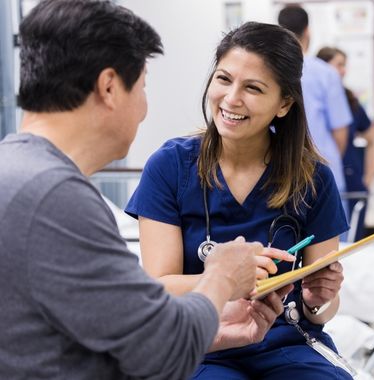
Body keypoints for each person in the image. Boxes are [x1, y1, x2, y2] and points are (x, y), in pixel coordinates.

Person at [0, 1, 279, 378]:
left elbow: (121, 334)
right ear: (110, 87)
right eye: (143, 87)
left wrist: (214, 332)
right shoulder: (54, 196)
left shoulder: (17, 172)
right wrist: (223, 275)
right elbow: (162, 351)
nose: (145, 109)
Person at [125, 21, 352, 379]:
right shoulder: (170, 167)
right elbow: (160, 287)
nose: (231, 99)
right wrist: (234, 277)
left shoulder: (313, 179)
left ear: (284, 103)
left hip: (288, 344)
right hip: (203, 346)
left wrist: (316, 300)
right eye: (223, 79)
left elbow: (321, 310)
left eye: (253, 88)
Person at [278, 5, 352, 201]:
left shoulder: (273, 73)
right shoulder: (326, 73)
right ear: (308, 31)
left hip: (282, 175)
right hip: (324, 174)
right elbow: (340, 131)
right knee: (331, 231)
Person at [317, 46, 374, 241]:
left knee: (352, 245)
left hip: (352, 185)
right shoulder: (310, 98)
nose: (343, 70)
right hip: (324, 183)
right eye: (338, 65)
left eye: (345, 65)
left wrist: (368, 179)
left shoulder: (350, 101)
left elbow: (373, 139)